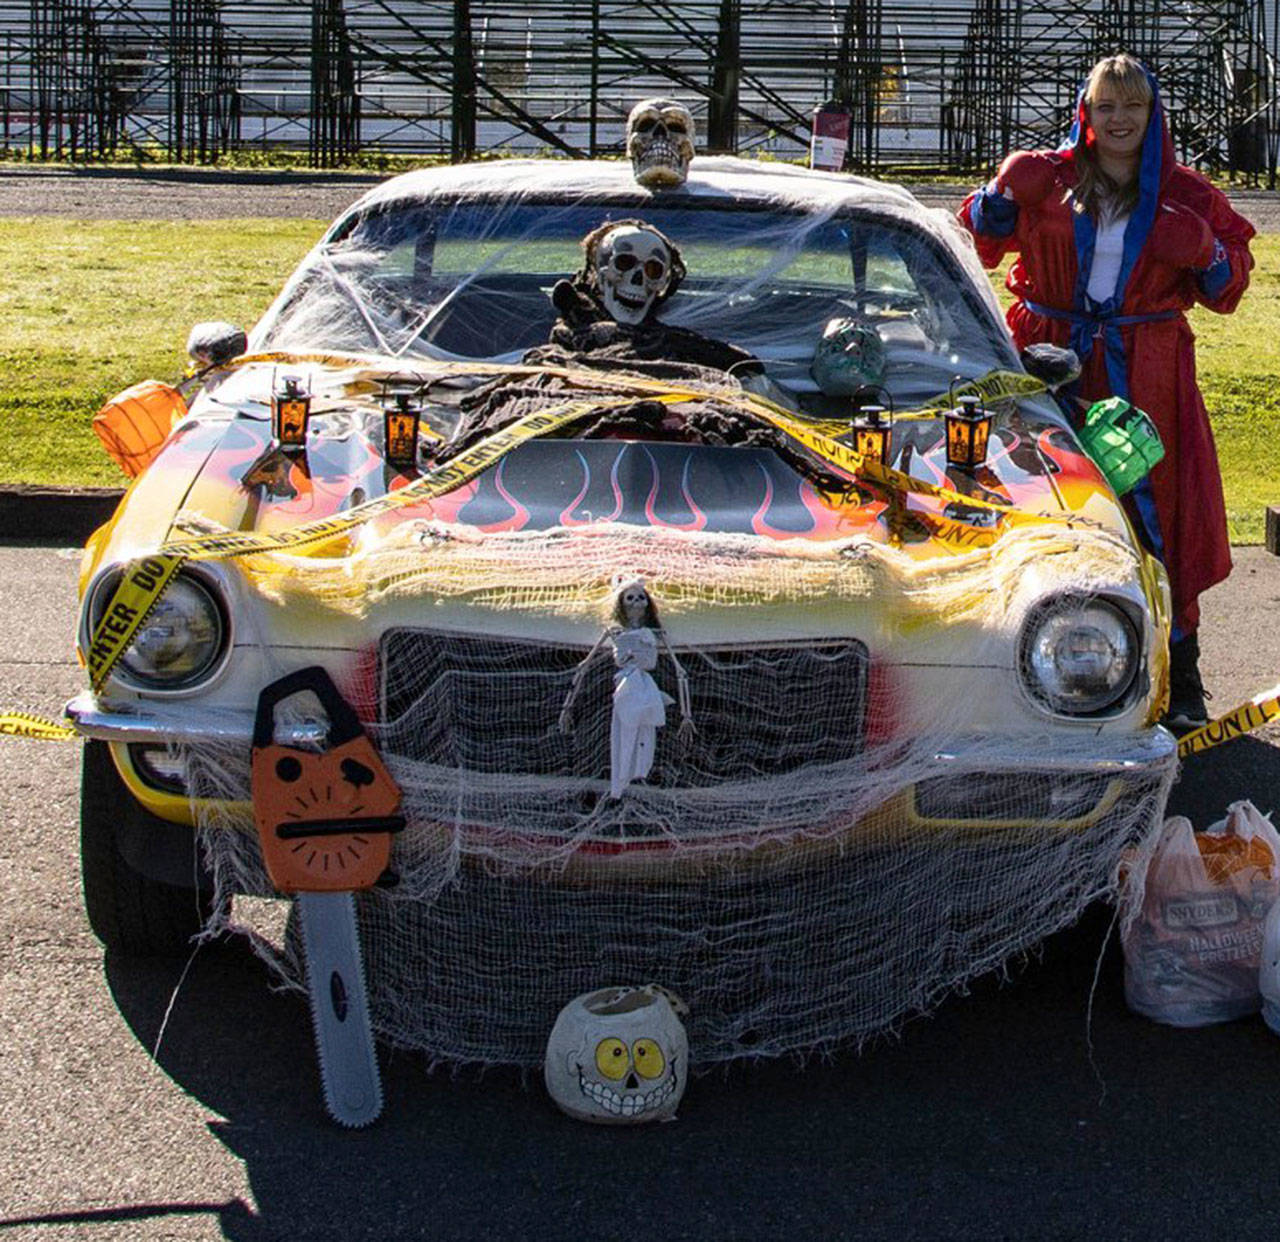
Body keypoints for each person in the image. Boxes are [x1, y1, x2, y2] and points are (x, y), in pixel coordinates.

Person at [958, 53, 1255, 733]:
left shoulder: (1190, 194)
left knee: (1158, 514)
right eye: (1105, 106)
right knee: (1035, 503)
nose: (1119, 119)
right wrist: (996, 198)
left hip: (1148, 370)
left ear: (1153, 115)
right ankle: (1020, 662)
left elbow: (1230, 288)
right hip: (1046, 363)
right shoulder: (1049, 177)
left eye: (1133, 106)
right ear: (1084, 113)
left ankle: (1182, 679)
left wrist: (1206, 250)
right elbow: (981, 243)